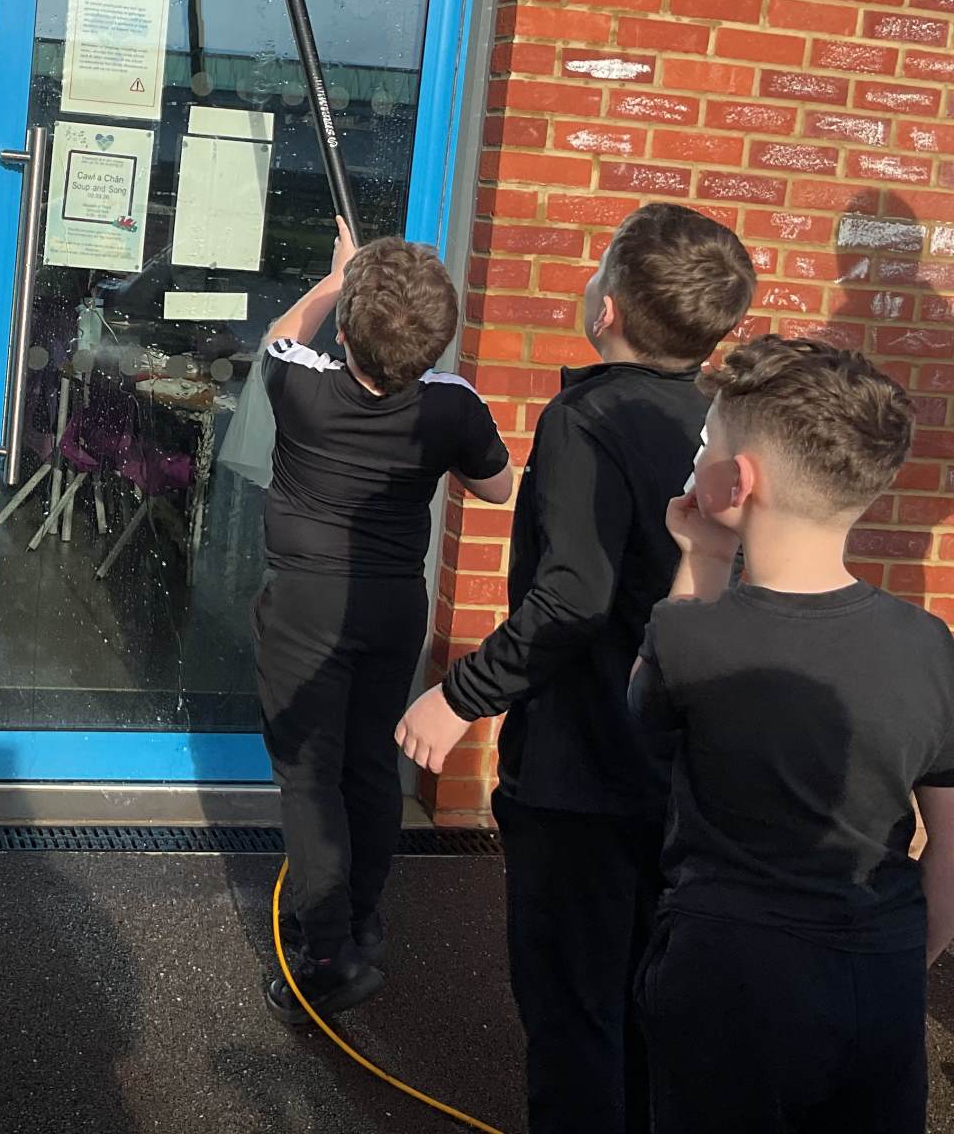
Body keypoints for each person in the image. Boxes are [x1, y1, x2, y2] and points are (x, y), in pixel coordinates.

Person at [394, 201, 756, 1134]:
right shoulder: (726, 424)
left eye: (599, 266)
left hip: (584, 774)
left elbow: (571, 599)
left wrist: (458, 696)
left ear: (609, 309)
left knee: (573, 1015)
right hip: (684, 775)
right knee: (649, 1006)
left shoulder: (585, 419)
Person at [630, 337, 954, 1134]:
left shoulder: (686, 635)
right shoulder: (929, 642)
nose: (697, 457)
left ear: (736, 482)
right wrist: (905, 959)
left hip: (728, 976)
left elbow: (647, 722)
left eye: (705, 443)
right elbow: (951, 845)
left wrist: (704, 557)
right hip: (877, 970)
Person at [257, 217, 513, 1020]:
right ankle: (360, 921)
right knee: (368, 764)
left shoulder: (298, 384)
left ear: (347, 330)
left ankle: (328, 954)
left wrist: (336, 280)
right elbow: (498, 487)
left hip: (305, 605)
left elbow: (280, 335)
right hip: (393, 604)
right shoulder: (451, 404)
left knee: (309, 775)